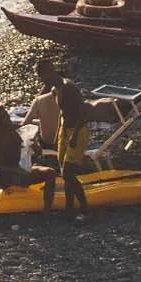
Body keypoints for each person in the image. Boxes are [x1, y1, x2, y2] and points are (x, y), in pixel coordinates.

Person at [0, 104, 37, 225]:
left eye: (7, 115)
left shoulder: (15, 130)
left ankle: (47, 216)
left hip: (20, 169)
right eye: (3, 117)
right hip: (5, 174)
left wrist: (35, 148)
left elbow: (31, 155)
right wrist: (16, 170)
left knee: (50, 173)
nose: (7, 118)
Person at [51, 74, 90, 220]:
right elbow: (63, 114)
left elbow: (83, 110)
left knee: (68, 172)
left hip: (77, 131)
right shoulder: (55, 89)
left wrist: (75, 134)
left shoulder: (69, 88)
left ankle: (84, 208)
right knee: (64, 171)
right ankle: (69, 206)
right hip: (64, 131)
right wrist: (57, 134)